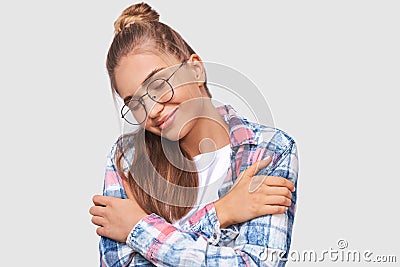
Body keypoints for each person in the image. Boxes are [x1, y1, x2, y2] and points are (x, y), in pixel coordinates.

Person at [89, 2, 299, 266]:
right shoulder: (126, 158)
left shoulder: (268, 149)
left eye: (157, 85)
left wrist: (137, 228)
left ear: (196, 69)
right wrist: (222, 212)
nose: (152, 110)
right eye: (135, 103)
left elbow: (257, 263)